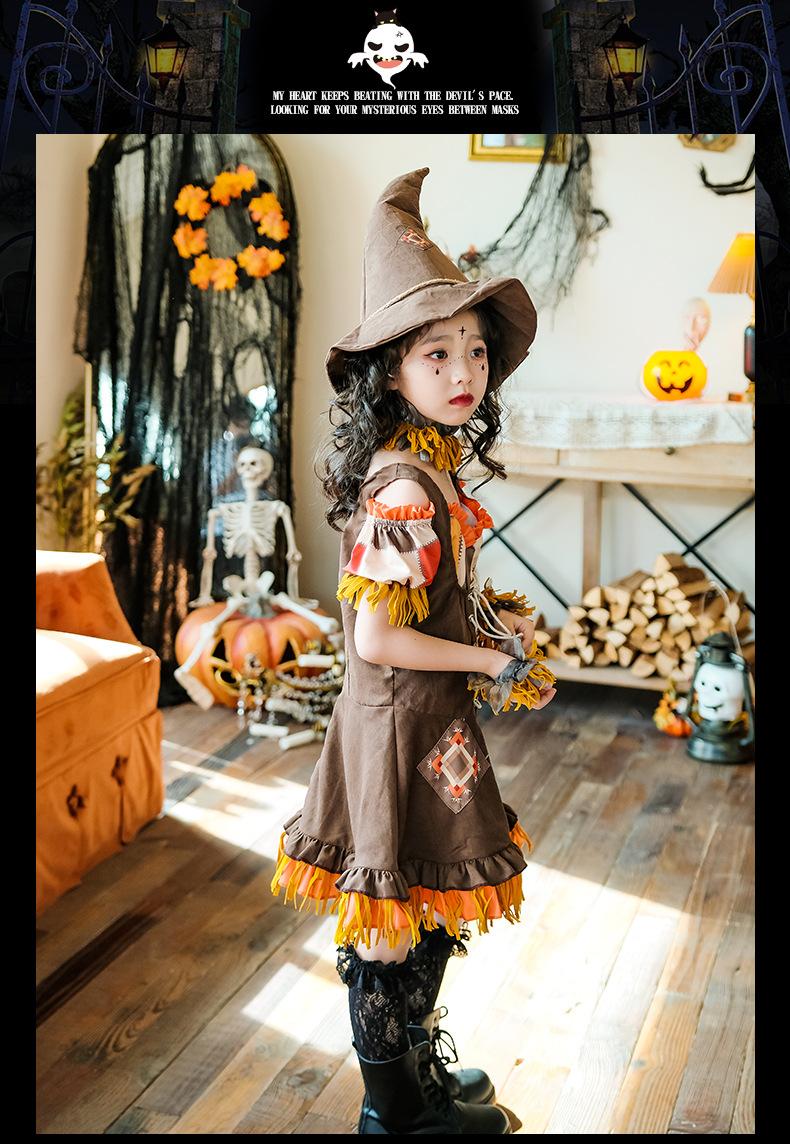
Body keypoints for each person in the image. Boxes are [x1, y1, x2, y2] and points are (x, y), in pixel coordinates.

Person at [269, 167, 557, 1134]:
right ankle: (396, 1111)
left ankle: (416, 1077)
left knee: (427, 901)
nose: (464, 370)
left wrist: (489, 624)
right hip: (397, 735)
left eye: (474, 349)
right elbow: (377, 635)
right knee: (392, 925)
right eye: (437, 353)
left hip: (427, 728)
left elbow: (428, 604)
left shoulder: (429, 467)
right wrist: (491, 663)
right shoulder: (403, 488)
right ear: (392, 372)